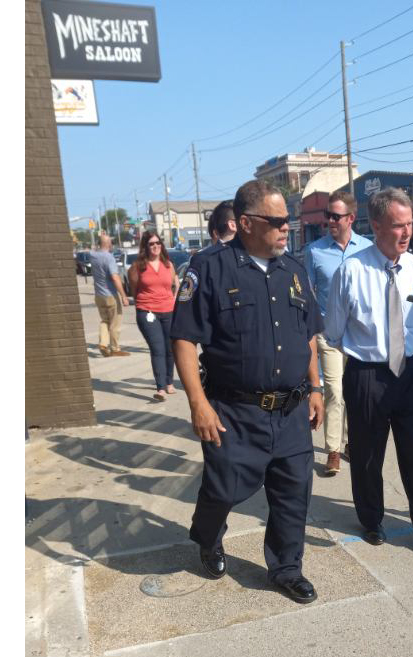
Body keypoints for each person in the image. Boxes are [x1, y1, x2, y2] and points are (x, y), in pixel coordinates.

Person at [170, 179, 324, 604]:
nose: (286, 228)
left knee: (294, 494)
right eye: (276, 221)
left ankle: (286, 568)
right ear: (244, 223)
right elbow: (183, 338)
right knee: (224, 490)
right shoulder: (210, 267)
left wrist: (315, 386)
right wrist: (197, 404)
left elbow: (308, 333)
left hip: (291, 411)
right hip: (234, 411)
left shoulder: (293, 269)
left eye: (288, 221)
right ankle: (208, 537)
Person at [325, 187, 413, 556]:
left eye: (410, 224)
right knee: (367, 455)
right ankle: (371, 519)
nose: (406, 232)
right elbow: (333, 331)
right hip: (367, 375)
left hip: (409, 373)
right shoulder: (351, 271)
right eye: (398, 225)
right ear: (376, 225)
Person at [303, 190, 372, 475]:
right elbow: (308, 295)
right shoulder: (314, 251)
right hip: (328, 334)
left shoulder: (368, 249)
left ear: (351, 218)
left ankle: (351, 443)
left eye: (335, 215)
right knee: (334, 390)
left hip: (359, 335)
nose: (329, 220)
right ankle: (333, 448)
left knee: (355, 392)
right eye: (327, 215)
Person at [128, 230, 181, 401]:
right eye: (151, 243)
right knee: (157, 349)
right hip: (147, 311)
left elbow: (174, 285)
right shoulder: (137, 267)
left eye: (158, 243)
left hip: (169, 310)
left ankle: (169, 382)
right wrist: (142, 306)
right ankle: (160, 388)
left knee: (170, 349)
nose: (156, 246)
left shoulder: (169, 265)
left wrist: (173, 300)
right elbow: (134, 290)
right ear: (145, 246)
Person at [89, 234, 130, 357]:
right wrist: (123, 295)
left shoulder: (93, 256)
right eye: (110, 242)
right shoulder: (109, 258)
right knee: (115, 322)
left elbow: (91, 249)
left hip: (98, 295)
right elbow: (115, 277)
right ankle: (115, 348)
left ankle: (103, 343)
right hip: (110, 295)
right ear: (108, 244)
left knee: (105, 320)